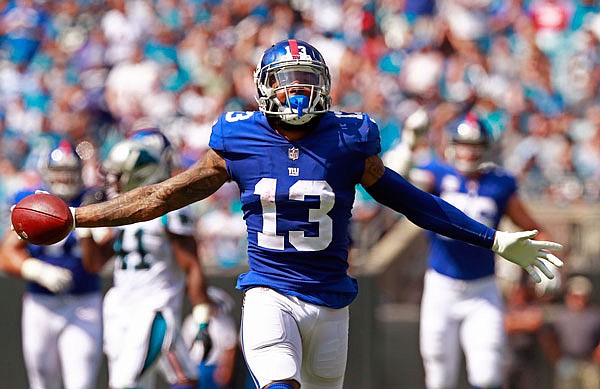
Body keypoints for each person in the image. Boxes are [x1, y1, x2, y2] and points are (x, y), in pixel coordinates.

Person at [34, 39, 563, 389]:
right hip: (268, 290)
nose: (298, 90)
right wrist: (81, 219)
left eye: (307, 78)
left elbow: (411, 200)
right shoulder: (237, 139)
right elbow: (160, 196)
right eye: (287, 80)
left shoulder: (349, 137)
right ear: (265, 86)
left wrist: (492, 239)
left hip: (332, 301)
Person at [387, 111, 558, 389]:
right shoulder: (438, 175)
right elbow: (394, 178)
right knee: (439, 376)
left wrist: (550, 263)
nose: (468, 152)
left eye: (475, 145)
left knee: (488, 374)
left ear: (485, 148)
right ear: (452, 145)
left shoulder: (499, 183)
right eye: (464, 144)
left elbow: (534, 228)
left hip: (483, 289)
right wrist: (408, 144)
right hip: (441, 287)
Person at [80, 129, 212, 389]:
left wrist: (202, 316)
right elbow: (95, 263)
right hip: (121, 309)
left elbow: (191, 264)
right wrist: (84, 225)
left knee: (127, 383)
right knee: (181, 376)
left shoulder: (169, 211)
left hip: (154, 308)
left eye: (119, 175)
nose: (112, 182)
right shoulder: (122, 209)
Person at [0, 140, 104, 389]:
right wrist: (36, 270)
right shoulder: (32, 201)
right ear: (47, 173)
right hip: (40, 304)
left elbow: (96, 264)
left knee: (80, 382)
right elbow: (6, 255)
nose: (65, 180)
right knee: (42, 379)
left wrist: (91, 233)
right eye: (59, 173)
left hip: (83, 301)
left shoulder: (92, 200)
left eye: (70, 174)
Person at [540, 275, 600, 389]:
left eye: (581, 296)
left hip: (588, 363)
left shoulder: (595, 315)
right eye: (575, 296)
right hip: (567, 362)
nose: (578, 299)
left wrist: (597, 356)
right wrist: (558, 358)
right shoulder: (560, 315)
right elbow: (548, 337)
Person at [181, 286, 240, 389]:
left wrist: (225, 369)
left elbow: (229, 348)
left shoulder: (225, 322)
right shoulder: (191, 321)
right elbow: (183, 347)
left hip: (215, 368)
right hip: (194, 366)